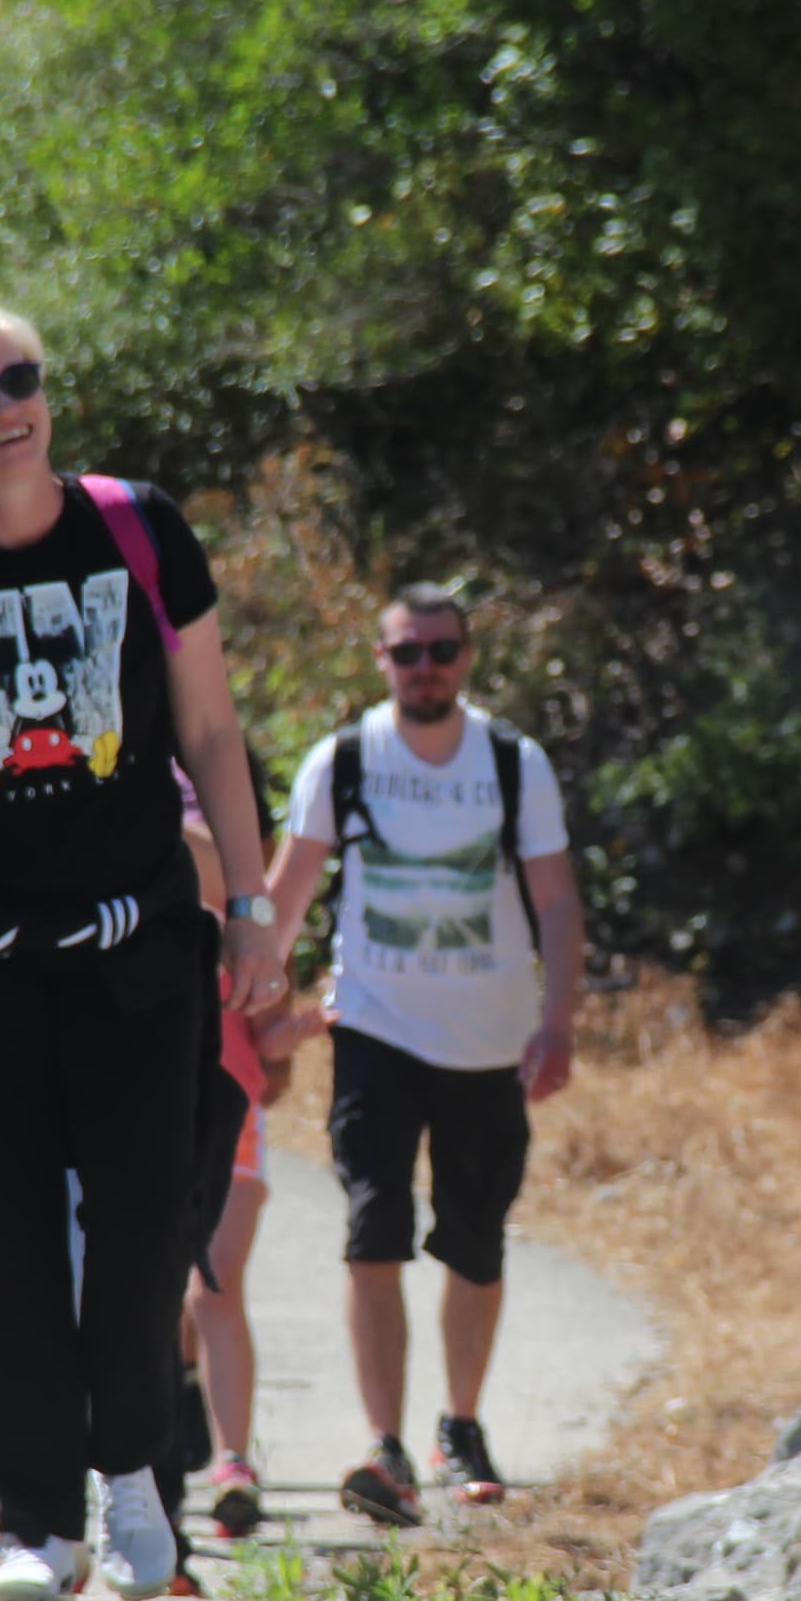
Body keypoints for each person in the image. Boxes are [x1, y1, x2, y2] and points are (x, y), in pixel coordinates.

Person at [0, 304, 287, 1601]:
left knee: (145, 1225)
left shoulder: (139, 527)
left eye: (18, 379)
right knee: (6, 1246)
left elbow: (211, 730)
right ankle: (37, 1527)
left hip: (136, 949)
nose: (5, 407)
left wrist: (253, 905)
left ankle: (132, 1476)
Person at [265, 581, 581, 1526]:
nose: (425, 668)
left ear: (467, 657)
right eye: (407, 652)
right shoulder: (343, 760)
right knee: (374, 1229)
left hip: (489, 1042)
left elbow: (555, 900)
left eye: (441, 650)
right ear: (382, 661)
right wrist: (250, 1014)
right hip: (375, 1030)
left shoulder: (514, 763)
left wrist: (558, 1022)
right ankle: (387, 1448)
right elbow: (286, 897)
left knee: (476, 1240)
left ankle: (461, 1427)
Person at [183, 799, 298, 1537]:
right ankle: (153, 1444)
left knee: (216, 1284)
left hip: (234, 1117)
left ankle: (234, 1463)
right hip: (140, 1113)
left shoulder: (246, 924)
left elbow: (272, 1039)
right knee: (149, 1289)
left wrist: (304, 1025)